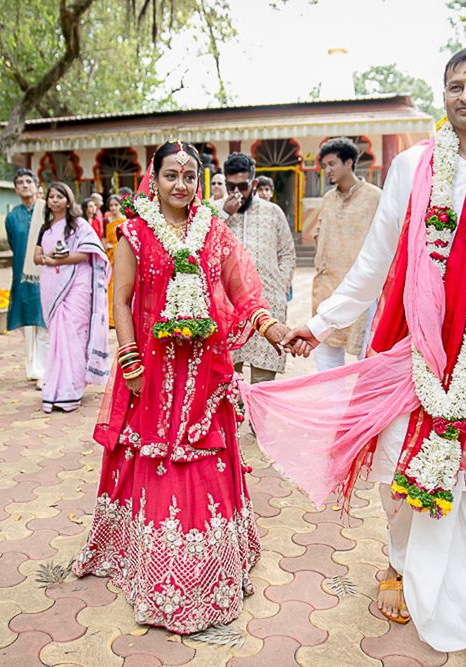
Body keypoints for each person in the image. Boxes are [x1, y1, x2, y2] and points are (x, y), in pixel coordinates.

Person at [245, 48, 466, 666]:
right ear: (443, 94)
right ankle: (397, 563)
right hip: (412, 350)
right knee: (404, 470)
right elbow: (375, 261)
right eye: (455, 85)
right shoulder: (414, 166)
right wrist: (319, 324)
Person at [73, 141, 291, 634]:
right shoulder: (135, 231)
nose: (181, 184)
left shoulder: (213, 231)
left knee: (204, 455)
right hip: (151, 371)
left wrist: (271, 328)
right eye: (171, 175)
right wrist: (129, 359)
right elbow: (122, 301)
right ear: (154, 178)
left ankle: (210, 568)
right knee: (155, 457)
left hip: (204, 372)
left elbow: (243, 290)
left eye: (190, 176)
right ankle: (153, 565)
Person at [31, 182, 110, 413]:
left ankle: (70, 389)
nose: (54, 200)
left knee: (73, 334)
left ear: (68, 200)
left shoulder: (80, 225)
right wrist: (48, 259)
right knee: (57, 336)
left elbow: (88, 253)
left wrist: (58, 261)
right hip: (52, 284)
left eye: (59, 196)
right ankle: (55, 387)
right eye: (51, 196)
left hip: (76, 285)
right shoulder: (45, 228)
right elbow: (37, 257)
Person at [222, 153, 296, 384]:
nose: (236, 192)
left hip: (268, 303)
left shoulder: (272, 212)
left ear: (254, 184)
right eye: (230, 186)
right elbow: (203, 247)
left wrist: (280, 286)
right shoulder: (215, 213)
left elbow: (287, 252)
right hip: (228, 307)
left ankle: (258, 420)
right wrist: (224, 214)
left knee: (263, 380)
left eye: (242, 186)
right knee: (226, 378)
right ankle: (232, 418)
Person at [312, 137, 383, 371]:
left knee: (368, 358)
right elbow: (319, 234)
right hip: (328, 287)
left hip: (363, 291)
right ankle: (334, 407)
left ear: (349, 162)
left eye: (332, 164)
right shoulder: (328, 199)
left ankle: (364, 407)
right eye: (325, 166)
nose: (327, 170)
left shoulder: (375, 197)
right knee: (326, 355)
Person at [4, 168, 48, 388]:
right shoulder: (12, 217)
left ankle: (43, 370)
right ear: (15, 188)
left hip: (46, 275)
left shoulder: (46, 211)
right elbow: (15, 244)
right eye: (19, 182)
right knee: (28, 324)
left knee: (43, 322)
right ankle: (32, 368)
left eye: (28, 181)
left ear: (36, 186)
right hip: (21, 275)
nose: (24, 185)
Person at [104, 195, 127, 327]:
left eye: (116, 205)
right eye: (111, 205)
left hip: (121, 256)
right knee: (110, 286)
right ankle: (110, 319)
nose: (113, 208)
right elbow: (106, 240)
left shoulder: (124, 221)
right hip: (110, 257)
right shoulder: (108, 222)